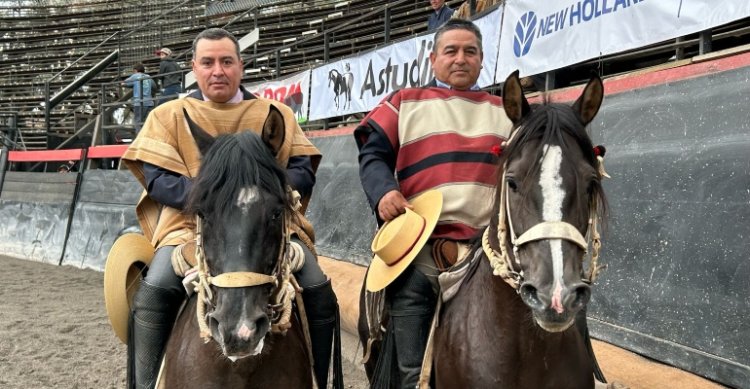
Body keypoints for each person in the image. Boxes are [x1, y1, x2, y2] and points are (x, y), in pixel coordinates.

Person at [122, 28, 340, 389]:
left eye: (226, 61)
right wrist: (213, 196)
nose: (217, 70)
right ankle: (146, 383)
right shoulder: (170, 115)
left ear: (241, 65)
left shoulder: (275, 114)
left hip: (267, 225)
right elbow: (156, 177)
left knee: (317, 287)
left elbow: (302, 169)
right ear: (194, 67)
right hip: (188, 227)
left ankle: (320, 378)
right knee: (155, 290)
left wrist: (261, 194)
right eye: (207, 62)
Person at [355, 19, 512, 387]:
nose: (461, 59)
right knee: (409, 364)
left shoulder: (507, 110)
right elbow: (373, 155)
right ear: (433, 58)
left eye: (470, 51)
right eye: (451, 51)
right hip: (421, 245)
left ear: (482, 59)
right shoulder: (405, 102)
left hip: (488, 250)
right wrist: (384, 192)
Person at [122, 63, 155, 134]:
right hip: (149, 102)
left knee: (138, 121)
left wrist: (131, 85)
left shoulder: (135, 76)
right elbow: (154, 87)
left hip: (139, 103)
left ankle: (139, 139)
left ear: (135, 70)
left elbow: (123, 83)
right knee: (148, 122)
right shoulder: (148, 77)